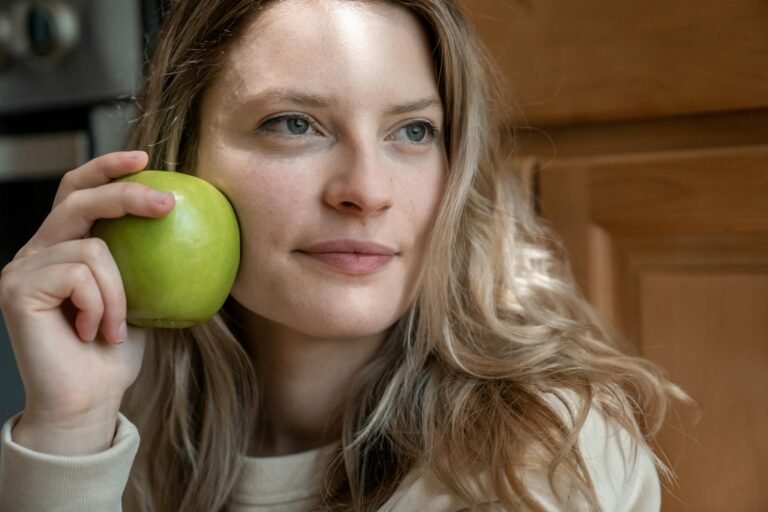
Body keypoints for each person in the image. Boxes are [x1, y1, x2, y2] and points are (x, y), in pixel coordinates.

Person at [0, 0, 688, 510]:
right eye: (294, 124)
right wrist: (69, 438)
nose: (366, 190)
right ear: (183, 162)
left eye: (413, 131)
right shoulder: (118, 436)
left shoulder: (542, 459)